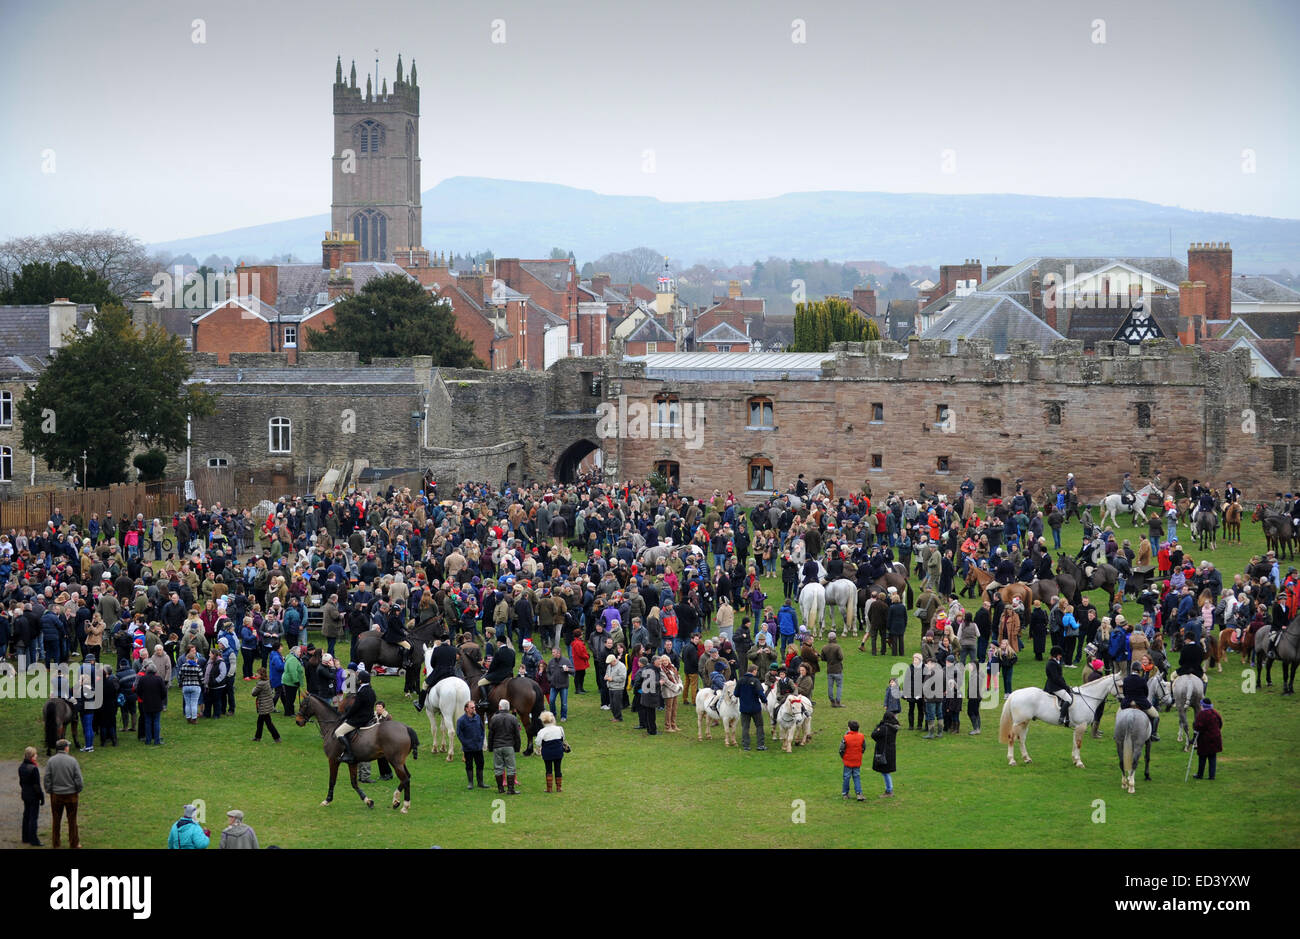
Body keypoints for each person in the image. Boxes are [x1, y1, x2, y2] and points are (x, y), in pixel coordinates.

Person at [44, 739, 82, 849]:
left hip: (56, 795)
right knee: (72, 820)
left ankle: (56, 844)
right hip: (71, 795)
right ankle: (74, 843)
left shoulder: (51, 761)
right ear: (66, 748)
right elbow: (78, 779)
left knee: (56, 820)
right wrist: (77, 790)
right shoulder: (73, 761)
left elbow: (47, 778)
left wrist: (49, 790)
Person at [334, 667, 375, 763]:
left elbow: (355, 708)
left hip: (360, 719)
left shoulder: (361, 692)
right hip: (369, 716)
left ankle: (349, 754)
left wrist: (345, 716)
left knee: (338, 732)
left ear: (360, 680)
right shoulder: (371, 691)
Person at [488, 699, 523, 794]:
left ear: (499, 707)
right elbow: (517, 735)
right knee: (511, 768)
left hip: (497, 746)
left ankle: (500, 789)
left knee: (498, 767)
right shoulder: (513, 718)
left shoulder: (494, 718)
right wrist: (517, 747)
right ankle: (511, 789)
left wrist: (490, 747)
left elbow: (491, 734)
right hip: (509, 745)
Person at [735, 663, 768, 751]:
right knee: (759, 725)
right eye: (756, 671)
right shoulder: (756, 681)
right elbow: (761, 693)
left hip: (744, 708)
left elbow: (736, 694)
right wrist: (765, 701)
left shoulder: (740, 680)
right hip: (755, 708)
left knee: (745, 727)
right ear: (754, 671)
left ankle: (746, 746)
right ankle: (760, 745)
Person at [535, 710, 569, 792]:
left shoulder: (542, 731)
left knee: (548, 769)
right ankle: (559, 787)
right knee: (558, 769)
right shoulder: (560, 729)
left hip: (547, 753)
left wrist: (539, 748)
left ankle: (549, 788)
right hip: (558, 752)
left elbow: (538, 742)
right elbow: (563, 738)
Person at [457, 700, 488, 790]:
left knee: (480, 764)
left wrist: (481, 741)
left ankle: (480, 782)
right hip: (468, 748)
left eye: (474, 707)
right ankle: (470, 783)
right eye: (472, 707)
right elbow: (459, 734)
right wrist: (466, 743)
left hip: (478, 747)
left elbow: (482, 730)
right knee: (469, 765)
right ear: (466, 709)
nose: (474, 709)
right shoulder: (461, 720)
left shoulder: (478, 717)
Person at [1192, 698, 1223, 780]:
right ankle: (1212, 776)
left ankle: (1200, 774)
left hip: (1205, 739)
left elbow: (1198, 726)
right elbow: (1220, 723)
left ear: (1203, 705)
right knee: (1212, 757)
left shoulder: (1202, 714)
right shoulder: (1215, 712)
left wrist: (1194, 726)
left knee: (1202, 757)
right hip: (1215, 738)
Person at [870, 710, 899, 797]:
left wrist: (878, 726)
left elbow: (873, 734)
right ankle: (889, 790)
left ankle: (889, 790)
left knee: (885, 772)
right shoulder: (893, 727)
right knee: (886, 771)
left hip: (884, 751)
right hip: (890, 751)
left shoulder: (883, 728)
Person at [19, 746, 44, 846]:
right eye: (35, 754)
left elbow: (21, 782)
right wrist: (41, 796)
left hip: (25, 794)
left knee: (26, 816)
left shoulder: (21, 767)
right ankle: (33, 839)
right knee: (33, 818)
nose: (37, 756)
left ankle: (25, 837)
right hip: (33, 796)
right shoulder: (33, 768)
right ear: (32, 756)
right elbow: (36, 785)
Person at [251, 667, 281, 742]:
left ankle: (276, 737)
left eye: (257, 673)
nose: (256, 674)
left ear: (261, 675)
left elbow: (253, 693)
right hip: (267, 704)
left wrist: (254, 687)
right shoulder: (267, 681)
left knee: (268, 723)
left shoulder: (260, 684)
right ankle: (258, 737)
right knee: (260, 722)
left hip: (264, 706)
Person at [839, 719, 867, 801]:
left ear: (849, 728)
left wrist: (843, 757)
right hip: (857, 760)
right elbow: (864, 747)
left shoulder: (846, 737)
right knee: (857, 776)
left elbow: (841, 749)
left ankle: (845, 793)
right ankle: (859, 793)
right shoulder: (861, 736)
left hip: (848, 760)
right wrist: (860, 754)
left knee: (846, 777)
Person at [1045, 646, 1072, 725]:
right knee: (1068, 699)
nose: (1061, 656)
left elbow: (1060, 677)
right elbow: (1056, 678)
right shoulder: (1051, 664)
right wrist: (1065, 686)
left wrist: (1065, 685)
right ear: (1056, 655)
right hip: (1054, 686)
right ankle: (1061, 717)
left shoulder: (1055, 662)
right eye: (1060, 655)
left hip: (1056, 684)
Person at [820, 631, 844, 707]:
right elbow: (841, 657)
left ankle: (832, 701)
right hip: (838, 670)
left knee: (830, 686)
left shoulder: (824, 647)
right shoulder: (837, 647)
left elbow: (822, 658)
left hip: (829, 670)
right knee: (839, 686)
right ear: (835, 638)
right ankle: (838, 701)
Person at [604, 653, 626, 722]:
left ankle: (619, 718)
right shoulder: (609, 666)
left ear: (614, 661)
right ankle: (615, 716)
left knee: (617, 704)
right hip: (610, 687)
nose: (609, 664)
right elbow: (607, 673)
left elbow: (623, 677)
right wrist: (606, 676)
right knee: (612, 704)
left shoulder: (621, 666)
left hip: (618, 688)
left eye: (610, 663)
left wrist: (612, 679)